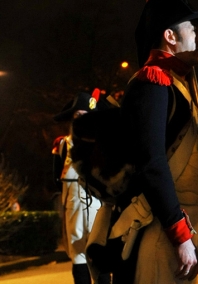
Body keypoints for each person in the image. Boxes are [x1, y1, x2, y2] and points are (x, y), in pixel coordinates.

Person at [115, 0, 198, 283]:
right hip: (162, 228)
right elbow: (153, 162)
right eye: (194, 30)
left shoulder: (175, 82)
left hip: (180, 223)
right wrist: (180, 234)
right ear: (170, 37)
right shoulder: (153, 80)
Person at [53, 89, 111, 284]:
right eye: (78, 116)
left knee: (100, 250)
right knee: (78, 252)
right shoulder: (63, 144)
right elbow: (56, 177)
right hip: (73, 202)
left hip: (99, 202)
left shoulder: (104, 143)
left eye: (86, 116)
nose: (81, 121)